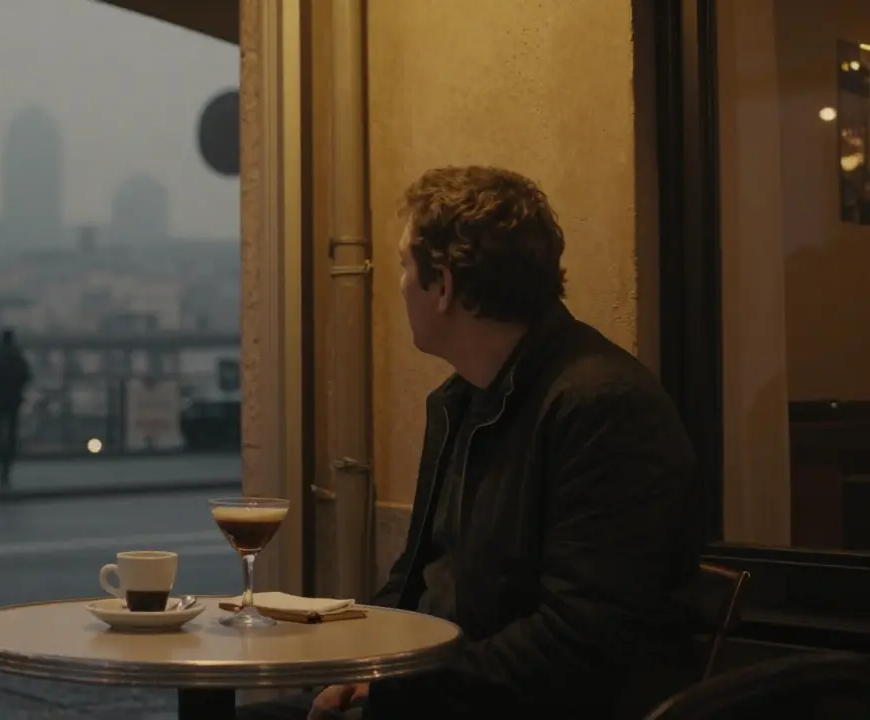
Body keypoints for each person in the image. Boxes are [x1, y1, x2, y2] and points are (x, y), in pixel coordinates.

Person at [238, 166, 701, 720]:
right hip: (443, 692)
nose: (401, 285)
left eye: (406, 267)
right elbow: (415, 576)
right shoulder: (460, 400)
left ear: (444, 285)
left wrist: (395, 693)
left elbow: (580, 639)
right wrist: (362, 670)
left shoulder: (603, 407)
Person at [0, 329, 32, 487]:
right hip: (13, 401)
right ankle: (7, 460)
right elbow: (27, 376)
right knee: (11, 432)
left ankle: (1, 457)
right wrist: (18, 391)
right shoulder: (17, 356)